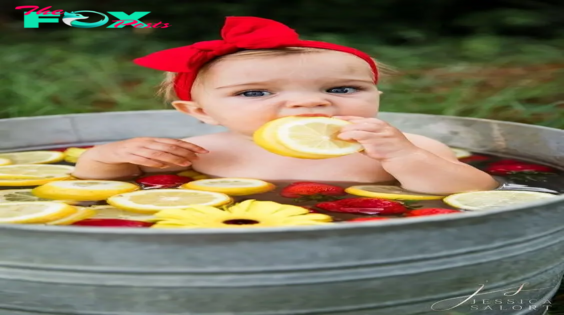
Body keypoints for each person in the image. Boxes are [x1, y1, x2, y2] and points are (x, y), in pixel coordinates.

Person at [73, 16, 498, 195]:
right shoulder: (202, 149)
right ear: (199, 112)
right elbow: (94, 180)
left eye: (343, 89)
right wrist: (109, 156)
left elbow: (477, 191)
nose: (310, 101)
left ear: (376, 98)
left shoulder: (403, 148)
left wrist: (405, 158)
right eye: (256, 93)